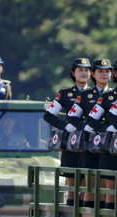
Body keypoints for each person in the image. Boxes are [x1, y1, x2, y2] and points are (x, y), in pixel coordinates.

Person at [43, 57, 92, 205]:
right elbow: (48, 115)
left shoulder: (95, 93)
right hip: (71, 141)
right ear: (73, 73)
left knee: (88, 180)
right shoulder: (65, 94)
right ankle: (71, 208)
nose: (83, 73)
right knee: (71, 179)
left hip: (90, 140)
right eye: (80, 70)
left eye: (86, 70)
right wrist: (65, 126)